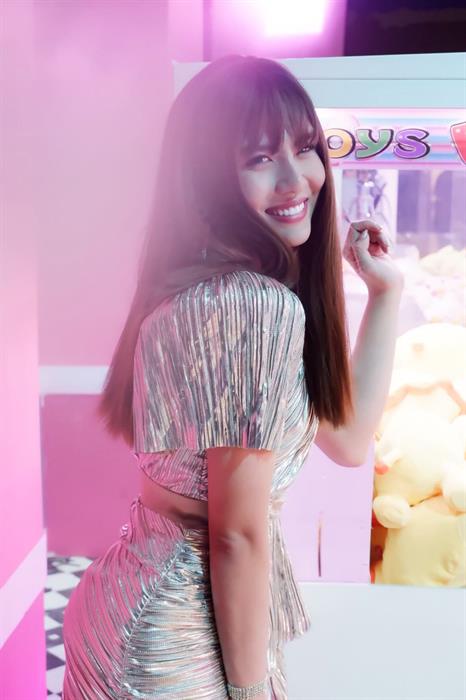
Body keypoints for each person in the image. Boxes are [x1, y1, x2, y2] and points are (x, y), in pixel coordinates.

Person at [62, 55, 404, 699]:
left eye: (305, 147)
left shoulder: (208, 287)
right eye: (259, 158)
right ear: (208, 177)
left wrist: (384, 296)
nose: (297, 179)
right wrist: (252, 695)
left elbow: (349, 439)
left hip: (142, 604)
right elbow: (236, 535)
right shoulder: (254, 305)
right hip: (176, 635)